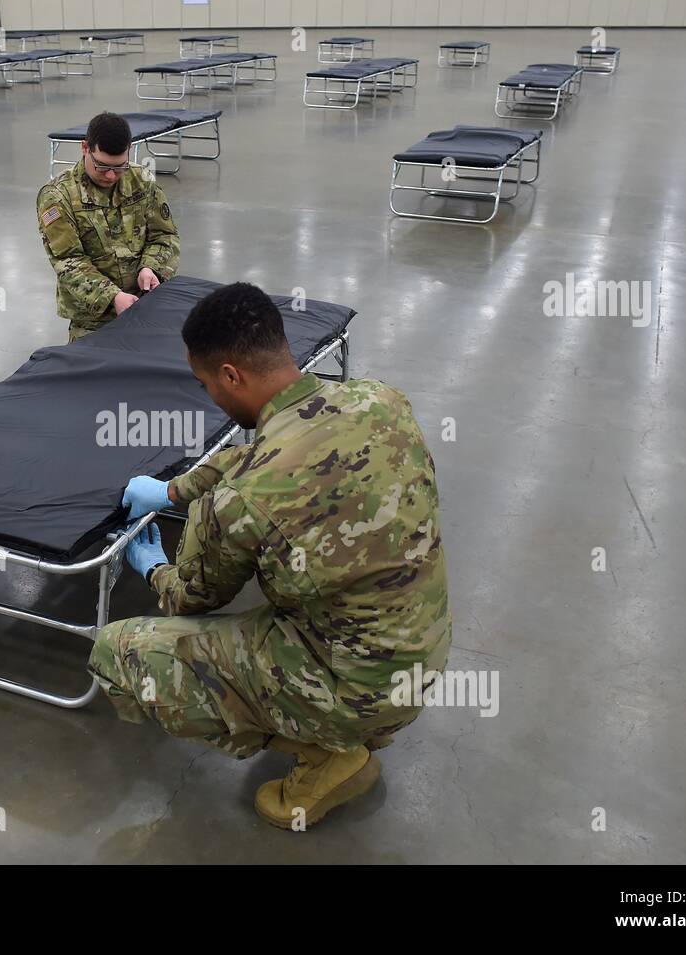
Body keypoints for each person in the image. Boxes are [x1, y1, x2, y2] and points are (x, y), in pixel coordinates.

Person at [88, 282, 451, 829]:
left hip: (360, 690)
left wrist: (152, 566)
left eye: (207, 383)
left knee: (119, 649)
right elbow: (263, 455)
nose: (210, 395)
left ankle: (331, 752)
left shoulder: (241, 503)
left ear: (231, 375)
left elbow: (191, 599)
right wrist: (173, 492)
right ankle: (340, 729)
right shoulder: (381, 400)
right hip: (422, 655)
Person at [36, 111, 180, 342]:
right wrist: (112, 296)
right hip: (94, 318)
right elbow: (68, 261)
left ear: (130, 150)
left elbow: (164, 235)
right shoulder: (58, 196)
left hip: (146, 303)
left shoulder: (142, 180)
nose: (112, 175)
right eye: (102, 166)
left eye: (120, 166)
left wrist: (150, 268)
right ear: (85, 148)